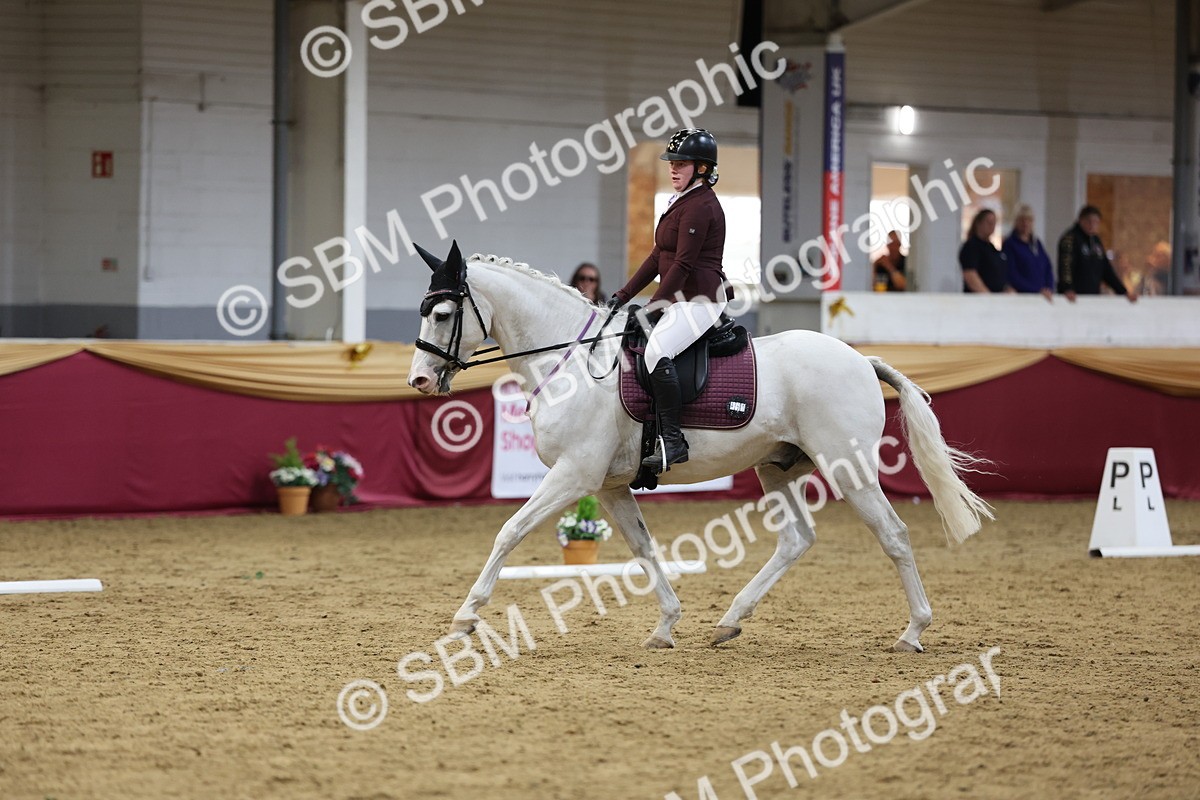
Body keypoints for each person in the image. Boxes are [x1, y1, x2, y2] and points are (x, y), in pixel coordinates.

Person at [608, 127, 730, 475]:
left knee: (656, 351)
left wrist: (652, 309)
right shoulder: (681, 202)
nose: (673, 169)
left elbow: (683, 265)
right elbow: (658, 255)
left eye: (682, 163)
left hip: (702, 301)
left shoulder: (701, 206)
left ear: (702, 168)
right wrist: (624, 295)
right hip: (681, 298)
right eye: (672, 163)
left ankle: (673, 440)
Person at [1056, 206, 1137, 302]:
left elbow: (1106, 270)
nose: (1092, 225)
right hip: (1075, 296)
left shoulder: (1096, 241)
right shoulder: (1070, 239)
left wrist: (1123, 292)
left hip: (1093, 296)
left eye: (1096, 222)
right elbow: (1066, 267)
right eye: (1089, 221)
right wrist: (1068, 288)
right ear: (1081, 220)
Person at [1001, 204, 1054, 300]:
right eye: (1022, 220)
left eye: (1029, 220)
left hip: (1043, 296)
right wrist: (1036, 290)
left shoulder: (1036, 243)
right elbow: (1011, 274)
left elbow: (1047, 267)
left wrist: (1049, 288)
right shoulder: (1010, 244)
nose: (1025, 223)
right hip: (1023, 296)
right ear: (1016, 222)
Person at [959, 209, 1011, 293]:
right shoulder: (971, 246)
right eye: (988, 222)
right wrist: (987, 296)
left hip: (997, 296)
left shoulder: (991, 247)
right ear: (978, 223)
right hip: (980, 299)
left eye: (994, 223)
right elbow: (970, 275)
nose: (992, 225)